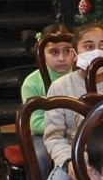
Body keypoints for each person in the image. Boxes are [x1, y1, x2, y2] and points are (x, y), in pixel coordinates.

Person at [42, 22, 103, 180]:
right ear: (75, 53)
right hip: (74, 158)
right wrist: (68, 162)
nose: (97, 52)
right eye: (89, 47)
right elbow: (54, 135)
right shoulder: (60, 87)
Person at [21, 25, 78, 166]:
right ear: (41, 53)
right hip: (44, 135)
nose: (61, 58)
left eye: (67, 51)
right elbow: (34, 124)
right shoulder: (32, 82)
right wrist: (63, 126)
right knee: (41, 158)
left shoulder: (81, 76)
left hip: (76, 133)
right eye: (54, 52)